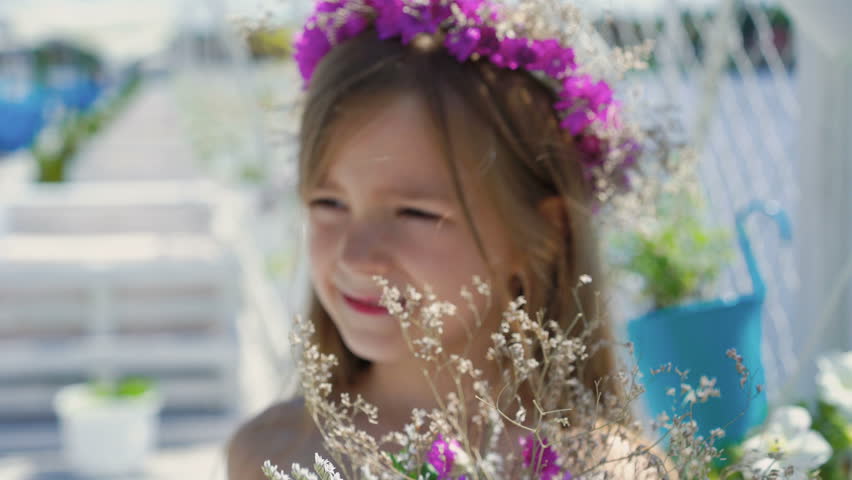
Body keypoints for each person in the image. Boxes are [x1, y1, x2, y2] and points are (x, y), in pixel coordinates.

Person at [227, 1, 646, 478]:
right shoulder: (270, 454)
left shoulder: (603, 467)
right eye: (329, 203)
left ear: (545, 232)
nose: (357, 256)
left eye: (415, 212)